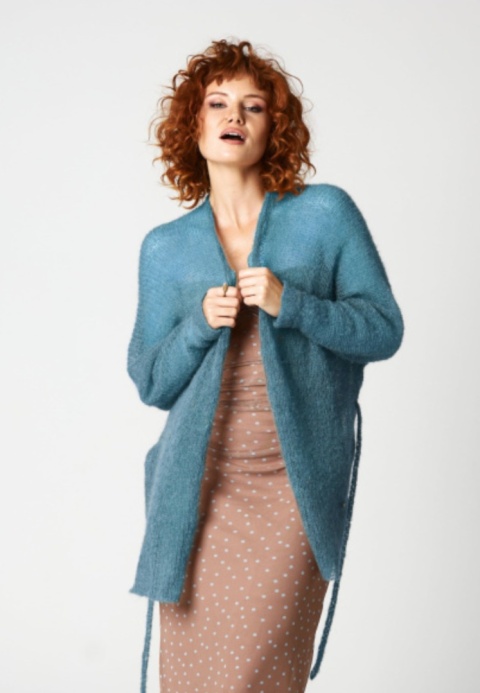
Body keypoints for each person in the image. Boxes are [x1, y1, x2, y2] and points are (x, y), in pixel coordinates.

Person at [127, 38, 404, 693]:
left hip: (291, 489)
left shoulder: (325, 214)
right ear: (192, 124)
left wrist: (293, 303)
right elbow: (151, 381)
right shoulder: (165, 249)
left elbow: (382, 329)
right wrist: (199, 324)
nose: (235, 115)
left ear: (273, 127)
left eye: (253, 107)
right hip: (197, 493)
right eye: (217, 103)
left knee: (258, 676)